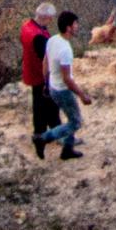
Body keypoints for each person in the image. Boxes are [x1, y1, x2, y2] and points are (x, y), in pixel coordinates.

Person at [38, 9, 92, 161]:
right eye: (75, 24)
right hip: (63, 90)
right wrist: (82, 95)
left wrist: (46, 83)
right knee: (75, 122)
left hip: (54, 86)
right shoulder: (65, 49)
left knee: (71, 117)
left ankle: (67, 150)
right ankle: (44, 137)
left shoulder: (53, 40)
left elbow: (45, 62)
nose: (77, 26)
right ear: (68, 27)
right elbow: (67, 79)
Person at [18, 3, 58, 160]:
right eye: (50, 18)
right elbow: (46, 60)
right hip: (41, 76)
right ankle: (46, 136)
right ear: (46, 17)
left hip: (31, 71)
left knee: (41, 106)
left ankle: (46, 134)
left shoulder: (26, 26)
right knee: (48, 108)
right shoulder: (39, 36)